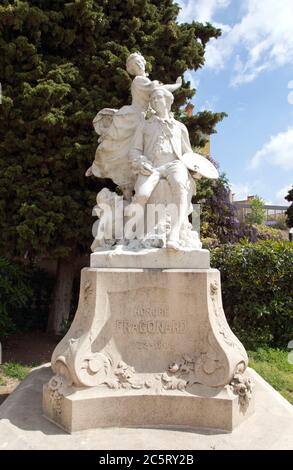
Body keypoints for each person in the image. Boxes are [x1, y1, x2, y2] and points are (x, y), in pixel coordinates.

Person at [86, 52, 182, 200]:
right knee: (122, 151)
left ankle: (129, 192)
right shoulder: (139, 80)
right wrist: (176, 85)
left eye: (139, 61)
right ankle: (100, 167)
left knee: (130, 155)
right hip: (135, 117)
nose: (137, 65)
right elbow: (156, 90)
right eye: (133, 64)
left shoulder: (145, 80)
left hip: (146, 118)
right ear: (131, 69)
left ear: (143, 62)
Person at [129, 86, 198, 249]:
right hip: (152, 167)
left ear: (168, 101)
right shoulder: (144, 126)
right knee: (142, 194)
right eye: (152, 99)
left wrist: (196, 169)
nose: (154, 101)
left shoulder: (180, 127)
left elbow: (188, 154)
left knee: (180, 186)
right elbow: (134, 150)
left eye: (158, 97)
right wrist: (140, 161)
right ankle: (135, 234)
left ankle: (174, 234)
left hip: (175, 165)